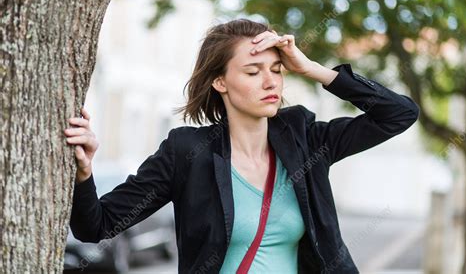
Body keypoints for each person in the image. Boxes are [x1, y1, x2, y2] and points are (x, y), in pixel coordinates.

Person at [66, 18, 419, 273]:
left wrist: (313, 69)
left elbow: (398, 114)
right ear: (220, 81)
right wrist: (85, 172)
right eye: (253, 72)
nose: (270, 81)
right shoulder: (187, 152)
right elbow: (95, 226)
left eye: (277, 69)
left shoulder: (306, 139)